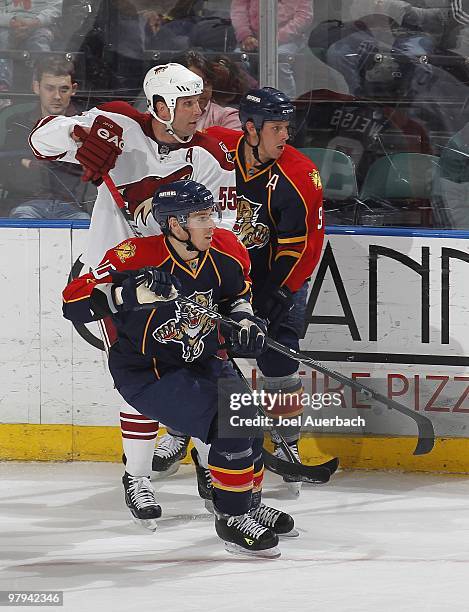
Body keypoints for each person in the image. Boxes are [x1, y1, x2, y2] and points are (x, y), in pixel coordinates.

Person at [29, 62, 238, 528]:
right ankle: (137, 475)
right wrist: (75, 132)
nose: (198, 111)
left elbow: (216, 226)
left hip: (180, 278)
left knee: (197, 366)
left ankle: (209, 464)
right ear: (159, 106)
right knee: (138, 371)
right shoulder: (120, 124)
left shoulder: (207, 157)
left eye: (200, 102)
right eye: (187, 103)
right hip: (116, 276)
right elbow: (40, 141)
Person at [62, 178, 296, 558]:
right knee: (230, 428)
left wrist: (248, 323)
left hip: (203, 360)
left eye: (211, 214)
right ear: (174, 224)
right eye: (202, 217)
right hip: (148, 371)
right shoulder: (133, 255)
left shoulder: (227, 248)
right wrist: (128, 293)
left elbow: (238, 296)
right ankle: (232, 516)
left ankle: (247, 506)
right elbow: (72, 304)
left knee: (249, 424)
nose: (212, 223)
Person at [156, 87, 325, 497]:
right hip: (215, 275)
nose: (285, 136)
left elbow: (305, 245)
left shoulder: (300, 174)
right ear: (249, 128)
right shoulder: (217, 150)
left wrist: (274, 297)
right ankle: (180, 430)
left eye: (287, 127)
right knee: (193, 350)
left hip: (274, 279)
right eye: (276, 128)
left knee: (279, 360)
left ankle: (287, 441)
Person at [2, 55, 91, 220]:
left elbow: (90, 173)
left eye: (63, 89)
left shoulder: (85, 125)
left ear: (74, 89)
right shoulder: (18, 124)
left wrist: (30, 163)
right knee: (22, 225)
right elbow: (8, 171)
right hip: (25, 204)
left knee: (84, 225)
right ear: (36, 87)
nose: (57, 96)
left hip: (72, 207)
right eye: (49, 88)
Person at [230, 0, 314, 99]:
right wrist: (246, 35)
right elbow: (238, 11)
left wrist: (276, 38)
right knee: (236, 61)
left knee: (279, 60)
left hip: (288, 39)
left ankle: (286, 101)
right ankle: (250, 100)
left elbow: (304, 17)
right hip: (252, 38)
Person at [172, 49, 242, 130]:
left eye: (206, 83)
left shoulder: (227, 117)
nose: (202, 90)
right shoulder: (160, 115)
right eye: (195, 84)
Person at [0, 0, 62, 91]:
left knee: (40, 42)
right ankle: (3, 89)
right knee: (3, 40)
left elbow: (55, 8)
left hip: (42, 25)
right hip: (8, 25)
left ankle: (43, 85)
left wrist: (36, 22)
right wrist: (11, 22)